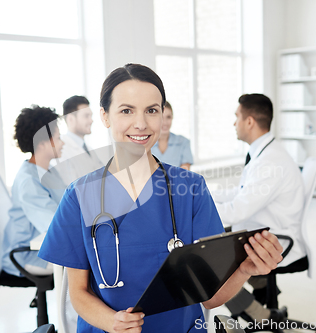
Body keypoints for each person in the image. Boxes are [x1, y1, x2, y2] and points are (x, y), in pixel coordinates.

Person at [38, 64, 283, 332]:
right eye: (126, 110)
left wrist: (245, 269)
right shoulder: (79, 195)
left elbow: (211, 298)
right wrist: (111, 322)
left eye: (152, 111)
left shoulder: (191, 188)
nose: (141, 123)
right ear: (105, 116)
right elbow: (78, 293)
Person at [212, 93, 306, 322]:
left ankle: (262, 315)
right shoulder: (264, 153)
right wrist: (207, 195)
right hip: (262, 230)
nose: (234, 123)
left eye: (237, 117)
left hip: (274, 240)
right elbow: (241, 193)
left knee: (208, 264)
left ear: (250, 121)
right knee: (213, 242)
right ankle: (263, 286)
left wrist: (199, 208)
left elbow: (237, 210)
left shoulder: (270, 162)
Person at [1, 105, 65, 277]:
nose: (63, 143)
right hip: (28, 254)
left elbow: (68, 205)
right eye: (58, 138)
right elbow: (53, 224)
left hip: (44, 245)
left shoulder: (48, 171)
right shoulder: (28, 180)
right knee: (87, 266)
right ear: (43, 144)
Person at [58, 95, 104, 184]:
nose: (91, 121)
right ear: (70, 119)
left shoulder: (89, 149)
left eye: (91, 116)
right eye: (86, 116)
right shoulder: (62, 151)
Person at [151, 101, 193, 170]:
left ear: (172, 118)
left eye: (168, 117)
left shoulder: (183, 142)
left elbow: (184, 173)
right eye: (161, 117)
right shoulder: (145, 143)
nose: (165, 122)